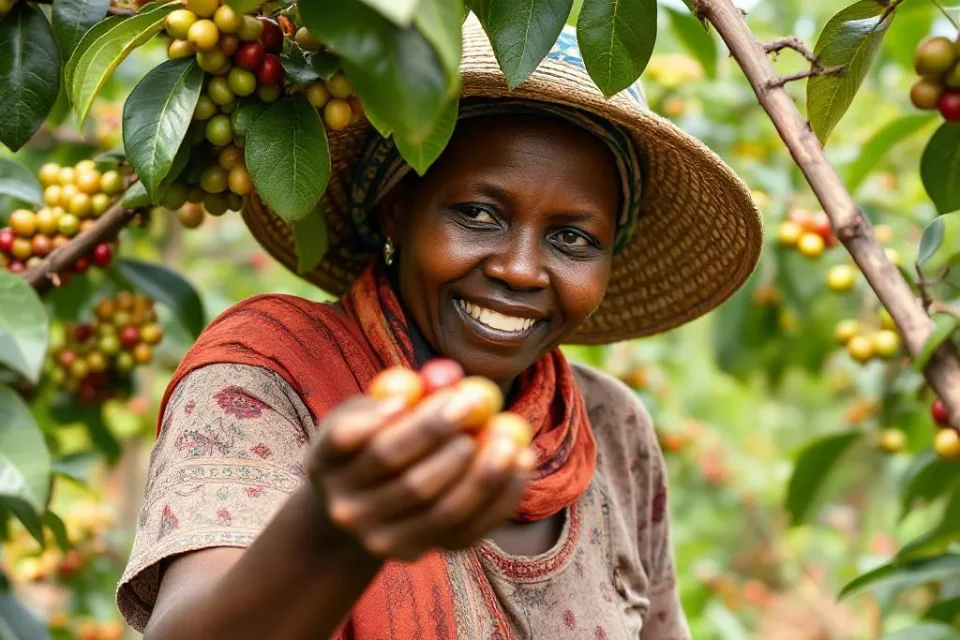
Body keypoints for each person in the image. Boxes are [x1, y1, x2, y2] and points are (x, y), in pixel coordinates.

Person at [117, 18, 763, 640]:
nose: (519, 270)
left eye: (572, 238)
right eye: (479, 214)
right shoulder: (270, 375)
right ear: (397, 212)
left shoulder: (612, 430)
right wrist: (329, 531)